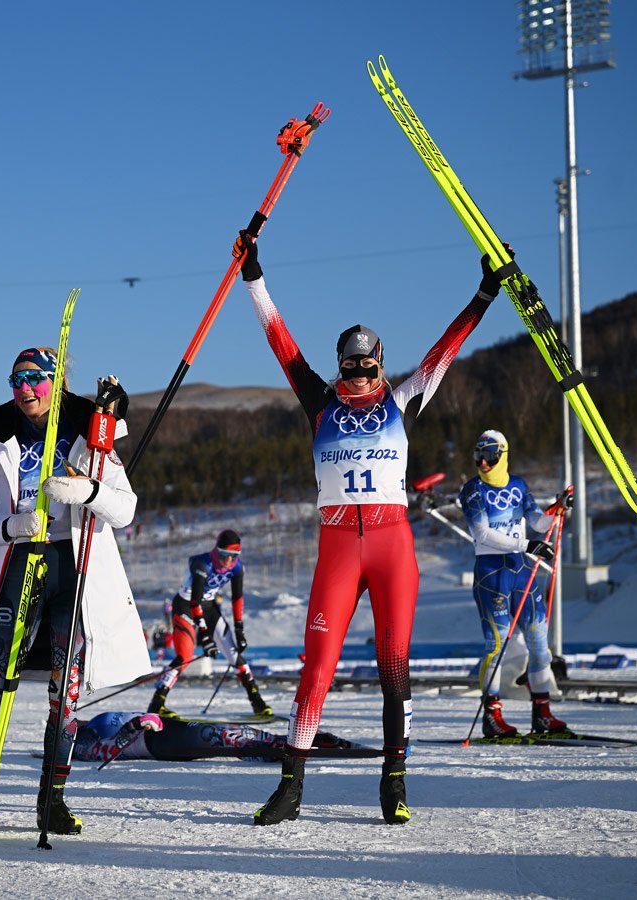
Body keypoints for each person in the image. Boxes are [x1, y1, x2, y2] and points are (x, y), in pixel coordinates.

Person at [240, 229, 504, 826]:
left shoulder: (404, 397)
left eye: (368, 363)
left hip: (390, 544)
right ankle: (291, 785)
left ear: (381, 362)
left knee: (393, 666)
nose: (359, 373)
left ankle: (394, 780)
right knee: (318, 665)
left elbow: (444, 351)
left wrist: (484, 295)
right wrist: (254, 278)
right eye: (350, 364)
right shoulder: (319, 399)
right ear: (339, 365)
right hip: (337, 544)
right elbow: (281, 343)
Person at [0, 347, 151, 838]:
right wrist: (13, 524)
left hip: (72, 566)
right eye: (16, 380)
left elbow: (126, 508)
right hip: (20, 563)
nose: (25, 390)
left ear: (56, 383)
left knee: (68, 689)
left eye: (35, 379)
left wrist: (89, 493)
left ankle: (52, 800)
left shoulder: (89, 437)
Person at [460, 430, 574, 738]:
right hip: (491, 573)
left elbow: (538, 522)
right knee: (496, 645)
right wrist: (527, 545)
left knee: (540, 645)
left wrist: (558, 509)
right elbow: (483, 534)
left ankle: (543, 713)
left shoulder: (519, 485)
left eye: (490, 457)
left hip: (522, 572)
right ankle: (492, 716)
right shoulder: (472, 490)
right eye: (478, 457)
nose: (483, 462)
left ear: (502, 456)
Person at [147, 529, 272, 718]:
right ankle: (157, 703)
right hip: (186, 605)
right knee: (185, 656)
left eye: (234, 556)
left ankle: (257, 702)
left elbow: (237, 598)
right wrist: (204, 634)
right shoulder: (202, 564)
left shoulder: (238, 568)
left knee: (234, 654)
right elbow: (194, 601)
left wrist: (239, 629)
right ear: (217, 551)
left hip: (209, 607)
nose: (228, 561)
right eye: (224, 555)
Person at [74, 711, 363, 765]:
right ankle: (279, 751)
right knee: (227, 738)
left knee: (236, 733)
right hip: (159, 743)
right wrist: (137, 724)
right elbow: (105, 751)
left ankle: (309, 739)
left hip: (170, 728)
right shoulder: (84, 740)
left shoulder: (96, 718)